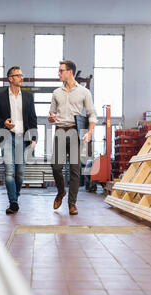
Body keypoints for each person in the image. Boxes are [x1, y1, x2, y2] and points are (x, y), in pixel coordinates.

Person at [48, 60, 97, 215]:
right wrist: (51, 118)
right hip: (60, 131)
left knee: (75, 170)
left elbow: (92, 114)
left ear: (70, 72)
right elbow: (52, 113)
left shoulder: (84, 92)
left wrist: (89, 133)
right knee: (56, 166)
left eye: (61, 71)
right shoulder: (56, 93)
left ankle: (72, 203)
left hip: (76, 132)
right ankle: (61, 191)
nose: (59, 73)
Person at [0, 66, 38, 214]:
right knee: (9, 171)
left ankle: (15, 197)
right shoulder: (0, 96)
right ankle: (13, 202)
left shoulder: (28, 97)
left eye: (22, 75)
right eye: (18, 75)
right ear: (10, 78)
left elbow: (33, 118)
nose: (21, 78)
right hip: (7, 136)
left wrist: (34, 137)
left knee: (20, 173)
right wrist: (3, 122)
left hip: (23, 138)